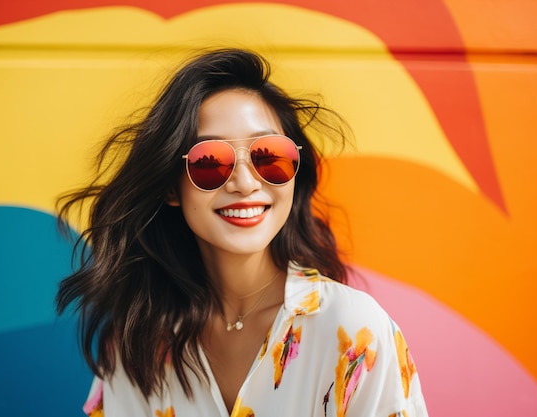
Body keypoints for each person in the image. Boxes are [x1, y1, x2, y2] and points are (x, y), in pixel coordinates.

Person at [56, 48, 428, 417]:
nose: (246, 182)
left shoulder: (352, 331)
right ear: (171, 187)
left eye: (268, 155)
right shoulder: (136, 345)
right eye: (210, 161)